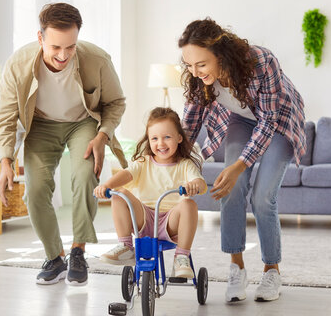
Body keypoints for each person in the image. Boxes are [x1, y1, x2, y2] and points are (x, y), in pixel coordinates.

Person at [0, 3, 127, 286]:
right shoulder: (18, 65)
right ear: (40, 38)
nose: (63, 55)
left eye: (70, 47)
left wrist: (103, 135)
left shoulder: (97, 59)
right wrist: (5, 160)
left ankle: (78, 251)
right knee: (37, 188)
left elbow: (116, 102)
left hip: (83, 121)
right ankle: (55, 257)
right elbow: (6, 116)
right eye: (55, 47)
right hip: (41, 123)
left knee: (83, 176)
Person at [179, 18, 306, 302]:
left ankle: (272, 270)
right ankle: (237, 268)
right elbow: (189, 125)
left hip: (279, 120)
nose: (195, 72)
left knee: (263, 198)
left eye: (201, 64)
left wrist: (239, 165)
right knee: (230, 189)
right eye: (189, 65)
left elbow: (268, 121)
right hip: (240, 119)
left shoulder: (262, 62)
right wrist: (168, 157)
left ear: (220, 54)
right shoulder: (198, 78)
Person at [94, 107, 207, 278]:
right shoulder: (143, 162)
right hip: (144, 219)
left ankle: (181, 256)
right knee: (120, 194)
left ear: (179, 138)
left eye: (167, 137)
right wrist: (107, 185)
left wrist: (194, 185)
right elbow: (126, 174)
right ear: (149, 140)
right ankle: (126, 247)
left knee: (188, 204)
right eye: (154, 138)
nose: (160, 144)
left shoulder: (185, 165)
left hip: (170, 222)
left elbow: (201, 183)